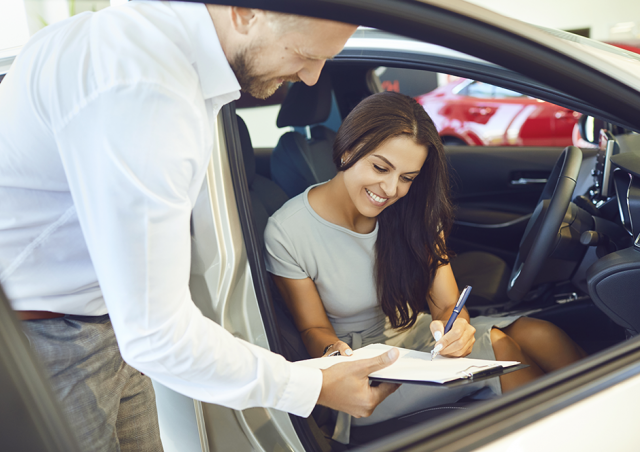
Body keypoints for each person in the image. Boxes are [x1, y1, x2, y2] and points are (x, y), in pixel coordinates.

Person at [0, 2, 401, 451]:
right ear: (244, 12)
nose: (311, 78)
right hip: (44, 342)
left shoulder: (163, 59)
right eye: (305, 54)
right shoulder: (144, 91)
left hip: (104, 322)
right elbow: (156, 334)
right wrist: (314, 386)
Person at [264, 91, 586, 444]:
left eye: (407, 177)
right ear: (347, 150)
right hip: (362, 367)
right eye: (380, 167)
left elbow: (448, 305)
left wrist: (457, 328)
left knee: (539, 331)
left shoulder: (412, 212)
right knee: (500, 345)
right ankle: (571, 441)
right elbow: (312, 328)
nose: (390, 189)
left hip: (415, 337)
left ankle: (602, 418)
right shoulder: (288, 231)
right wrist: (333, 355)